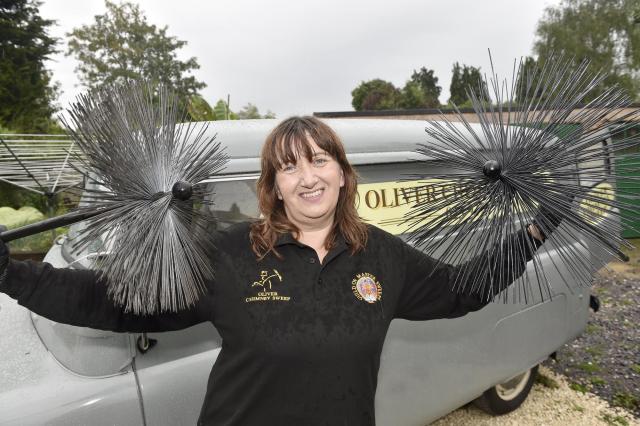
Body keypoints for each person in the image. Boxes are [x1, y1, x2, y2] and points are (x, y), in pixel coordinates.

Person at [0, 116, 551, 426]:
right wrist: (12, 275)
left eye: (319, 159)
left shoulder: (383, 256)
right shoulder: (232, 254)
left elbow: (461, 292)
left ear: (342, 174)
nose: (306, 177)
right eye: (288, 166)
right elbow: (113, 301)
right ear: (274, 185)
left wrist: (532, 232)